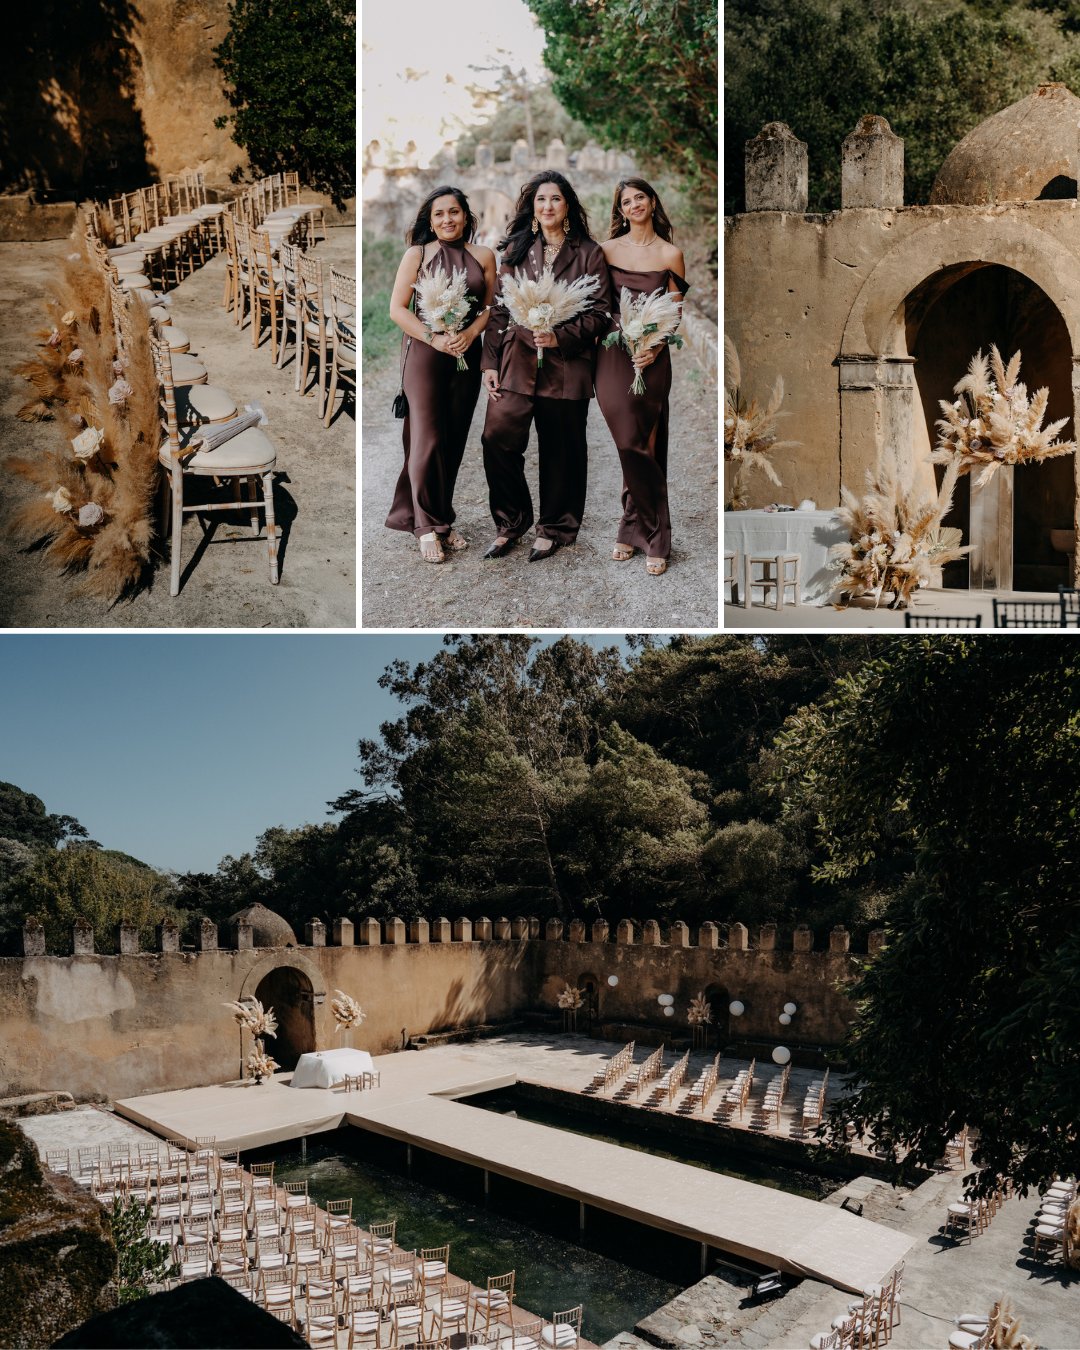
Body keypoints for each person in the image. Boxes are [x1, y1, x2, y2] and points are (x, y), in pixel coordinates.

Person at [481, 172, 612, 561]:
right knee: (496, 438)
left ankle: (555, 526)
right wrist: (490, 362)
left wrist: (561, 337)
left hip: (567, 368)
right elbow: (499, 311)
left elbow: (602, 314)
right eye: (541, 200)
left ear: (567, 205)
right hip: (515, 364)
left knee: (562, 450)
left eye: (555, 199)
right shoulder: (515, 251)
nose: (548, 206)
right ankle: (511, 522)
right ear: (532, 208)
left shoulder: (589, 252)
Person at [385, 186, 496, 563]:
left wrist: (468, 334)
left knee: (452, 441)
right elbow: (398, 309)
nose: (447, 220)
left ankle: (442, 518)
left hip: (465, 355)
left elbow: (489, 309)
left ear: (466, 216)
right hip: (426, 356)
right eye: (439, 214)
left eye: (454, 212)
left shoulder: (483, 256)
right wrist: (434, 338)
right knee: (427, 439)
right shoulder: (417, 254)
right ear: (429, 221)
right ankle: (424, 526)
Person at [596, 178, 688, 576]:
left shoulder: (672, 254)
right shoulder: (607, 250)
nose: (633, 205)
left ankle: (638, 529)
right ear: (620, 210)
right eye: (625, 201)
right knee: (627, 442)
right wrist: (625, 334)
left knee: (647, 443)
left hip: (653, 359)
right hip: (613, 356)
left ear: (652, 201)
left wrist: (653, 345)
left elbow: (675, 313)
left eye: (639, 198)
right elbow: (599, 305)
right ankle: (650, 528)